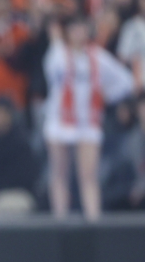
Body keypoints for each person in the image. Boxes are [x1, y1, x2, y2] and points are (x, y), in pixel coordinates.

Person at [42, 16, 134, 219]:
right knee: (59, 174)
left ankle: (93, 221)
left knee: (89, 176)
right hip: (60, 120)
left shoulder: (98, 57)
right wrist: (56, 37)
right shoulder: (57, 54)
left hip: (87, 123)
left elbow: (125, 82)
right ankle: (60, 221)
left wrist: (107, 94)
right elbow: (51, 75)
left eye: (81, 28)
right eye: (73, 29)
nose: (77, 33)